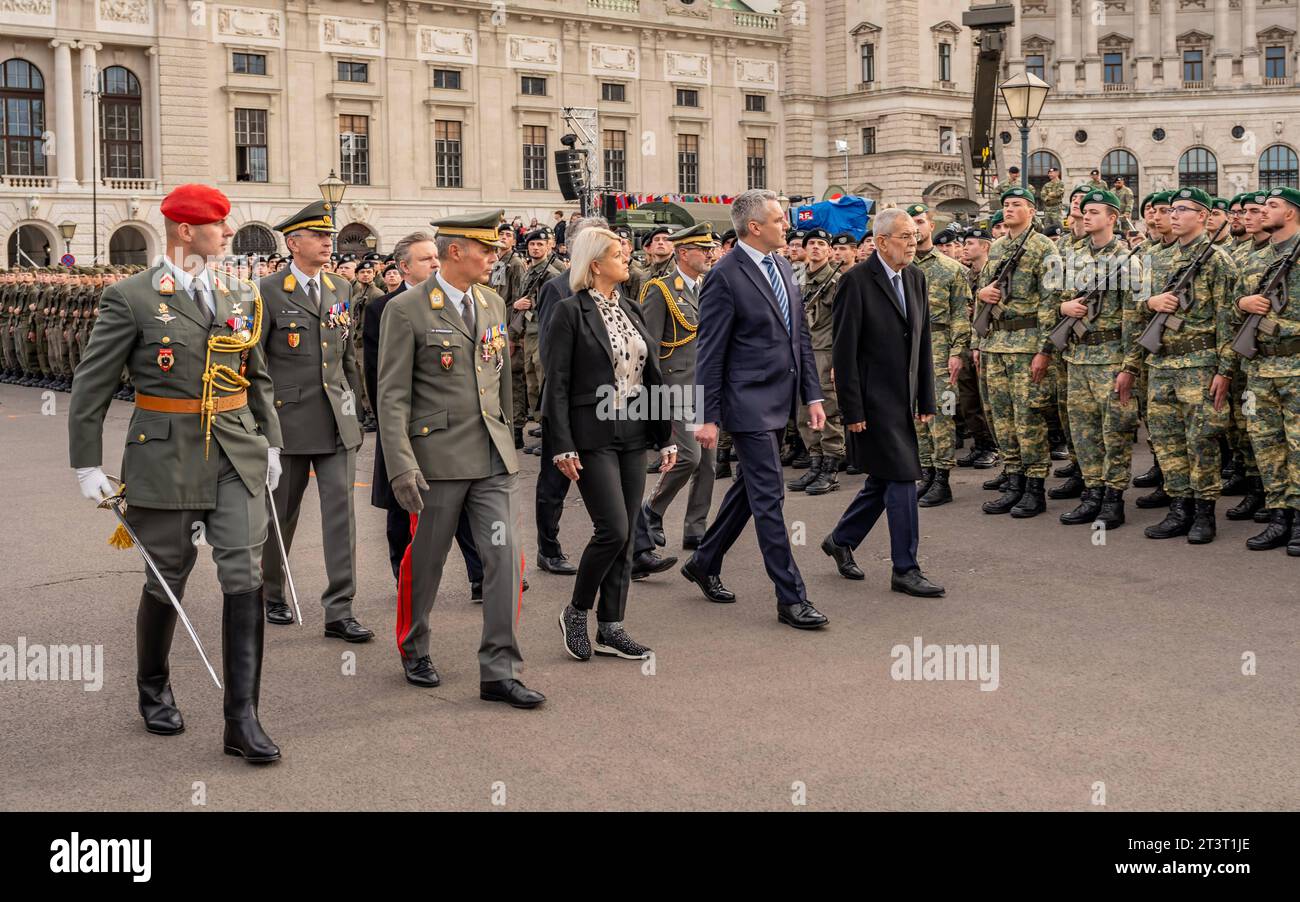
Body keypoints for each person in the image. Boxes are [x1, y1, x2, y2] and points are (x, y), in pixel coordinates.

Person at [69, 183, 284, 762]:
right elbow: (91, 385)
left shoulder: (238, 293)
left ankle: (242, 718)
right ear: (186, 231)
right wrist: (86, 463)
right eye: (219, 224)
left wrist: (271, 445)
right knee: (168, 572)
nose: (228, 233)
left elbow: (255, 376)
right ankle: (153, 685)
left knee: (244, 573)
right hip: (165, 453)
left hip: (236, 450)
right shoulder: (132, 296)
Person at [377, 210, 543, 708]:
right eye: (485, 250)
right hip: (437, 460)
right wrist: (401, 463)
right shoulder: (407, 309)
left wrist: (509, 437)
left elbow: (501, 379)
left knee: (505, 562)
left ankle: (499, 670)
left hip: (492, 458)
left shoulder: (492, 303)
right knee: (425, 563)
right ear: (455, 252)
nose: (494, 257)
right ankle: (414, 646)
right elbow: (391, 395)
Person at [682, 189, 829, 631]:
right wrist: (704, 416)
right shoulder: (724, 276)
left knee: (750, 489)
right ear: (754, 227)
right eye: (780, 220)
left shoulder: (783, 264)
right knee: (770, 497)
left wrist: (813, 395)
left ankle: (704, 561)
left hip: (780, 400)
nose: (788, 226)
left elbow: (798, 336)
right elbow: (709, 352)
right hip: (746, 405)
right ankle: (791, 597)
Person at [546, 227, 675, 661]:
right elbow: (557, 384)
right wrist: (561, 445)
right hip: (592, 433)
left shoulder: (633, 308)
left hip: (634, 429)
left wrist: (667, 435)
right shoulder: (569, 312)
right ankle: (578, 611)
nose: (628, 258)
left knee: (625, 536)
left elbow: (650, 375)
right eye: (619, 254)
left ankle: (612, 626)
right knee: (613, 529)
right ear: (595, 264)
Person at [257, 202, 372, 641]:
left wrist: (355, 413)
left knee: (342, 518)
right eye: (318, 236)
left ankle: (339, 609)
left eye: (330, 236)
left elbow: (344, 358)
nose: (328, 242)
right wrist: (263, 428)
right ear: (293, 243)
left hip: (335, 423)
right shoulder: (266, 290)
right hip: (285, 424)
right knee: (280, 516)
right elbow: (257, 364)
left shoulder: (340, 288)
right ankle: (272, 593)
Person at [820, 207, 945, 598]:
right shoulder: (855, 281)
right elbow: (844, 352)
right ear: (881, 242)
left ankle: (841, 539)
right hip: (873, 401)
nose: (913, 242)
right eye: (904, 236)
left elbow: (922, 342)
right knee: (904, 476)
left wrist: (925, 395)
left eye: (914, 236)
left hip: (904, 397)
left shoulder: (917, 278)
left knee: (885, 479)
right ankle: (905, 568)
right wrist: (852, 410)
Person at [363, 232, 487, 598]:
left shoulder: (457, 301)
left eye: (436, 257)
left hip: (449, 427)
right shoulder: (385, 308)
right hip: (405, 425)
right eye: (425, 260)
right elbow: (378, 377)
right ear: (403, 267)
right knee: (403, 505)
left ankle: (480, 574)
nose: (435, 263)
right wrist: (393, 427)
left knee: (463, 502)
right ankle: (405, 577)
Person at [1121, 187, 1238, 543]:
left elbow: (1228, 321)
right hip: (1160, 365)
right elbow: (1135, 313)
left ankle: (1204, 513)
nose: (1173, 214)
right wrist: (1132, 364)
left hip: (1200, 363)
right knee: (1167, 440)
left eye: (1182, 209)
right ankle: (1178, 508)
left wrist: (1225, 371)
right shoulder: (1153, 259)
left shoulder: (1217, 260)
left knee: (1201, 441)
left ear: (1202, 216)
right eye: (1171, 209)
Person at [631, 224, 717, 575]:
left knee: (709, 463)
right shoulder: (661, 289)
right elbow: (647, 345)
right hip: (673, 386)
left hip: (704, 386)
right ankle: (653, 510)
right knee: (689, 457)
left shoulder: (710, 288)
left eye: (711, 249)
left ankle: (695, 529)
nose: (710, 255)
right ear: (684, 253)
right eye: (703, 249)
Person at [975, 186, 1062, 518]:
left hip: (1026, 345)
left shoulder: (1044, 247)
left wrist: (1044, 351)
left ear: (1032, 210)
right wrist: (982, 294)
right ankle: (1012, 482)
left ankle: (1034, 488)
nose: (1009, 209)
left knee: (1029, 419)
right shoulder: (997, 247)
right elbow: (983, 290)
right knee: (1002, 419)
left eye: (1016, 205)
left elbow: (1051, 303)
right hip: (995, 344)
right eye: (1006, 205)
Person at [1056, 189, 1140, 528]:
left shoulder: (1128, 260)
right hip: (1078, 357)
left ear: (1112, 218)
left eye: (1094, 212)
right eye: (1084, 211)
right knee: (1084, 433)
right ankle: (1091, 493)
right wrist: (1064, 307)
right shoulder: (1073, 256)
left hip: (1110, 361)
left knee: (1114, 433)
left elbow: (1135, 321)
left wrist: (1129, 368)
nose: (1086, 216)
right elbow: (1055, 301)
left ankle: (1113, 499)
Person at [1231, 186, 1300, 554]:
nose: (1261, 211)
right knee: (1267, 444)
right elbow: (1231, 310)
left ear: (1290, 213)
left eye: (1272, 206)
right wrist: (1243, 301)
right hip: (1260, 367)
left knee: (1298, 446)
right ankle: (1279, 517)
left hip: (1296, 366)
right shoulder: (1254, 259)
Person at [908, 204, 972, 507]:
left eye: (920, 221)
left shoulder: (952, 269)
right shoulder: (900, 268)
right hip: (907, 347)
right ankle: (926, 473)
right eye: (910, 223)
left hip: (939, 344)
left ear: (931, 226)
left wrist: (958, 352)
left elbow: (961, 315)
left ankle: (943, 479)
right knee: (916, 414)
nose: (915, 228)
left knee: (940, 414)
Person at [787, 228, 845, 495]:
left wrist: (838, 361)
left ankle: (831, 467)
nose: (815, 248)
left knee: (827, 409)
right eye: (811, 244)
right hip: (801, 351)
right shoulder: (796, 279)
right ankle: (816, 461)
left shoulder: (837, 281)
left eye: (822, 243)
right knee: (802, 410)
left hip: (826, 351)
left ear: (830, 250)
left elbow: (843, 324)